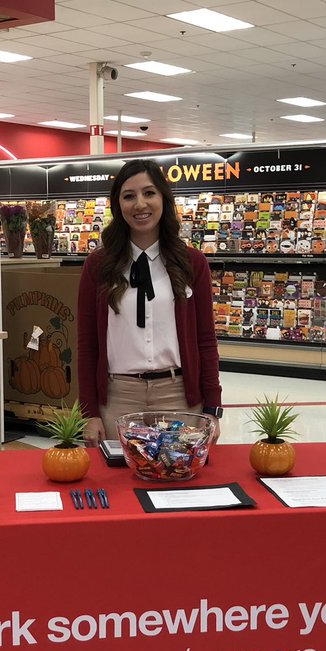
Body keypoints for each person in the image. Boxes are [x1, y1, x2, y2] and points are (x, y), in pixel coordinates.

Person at [77, 158, 222, 444]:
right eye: (128, 196)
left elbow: (206, 341)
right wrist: (89, 412)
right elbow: (87, 345)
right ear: (117, 205)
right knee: (116, 482)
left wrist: (212, 408)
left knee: (180, 480)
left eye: (149, 193)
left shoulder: (192, 262)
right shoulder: (98, 265)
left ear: (163, 199)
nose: (139, 204)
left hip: (179, 396)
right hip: (118, 397)